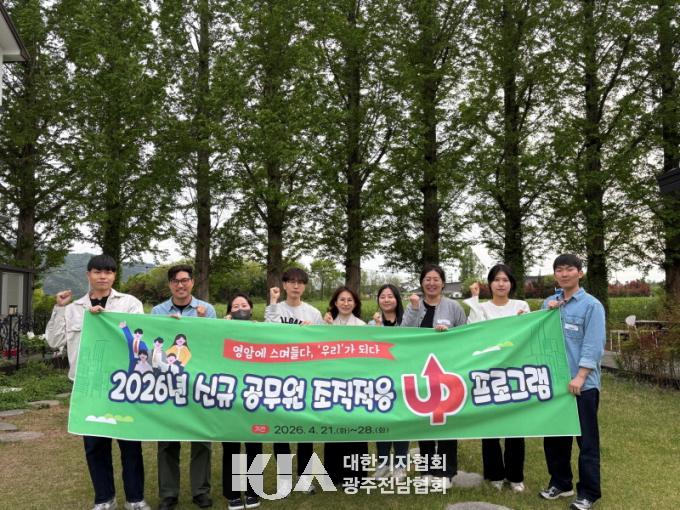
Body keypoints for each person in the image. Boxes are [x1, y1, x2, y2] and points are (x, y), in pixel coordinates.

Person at [45, 254, 150, 510]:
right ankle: (104, 499)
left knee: (130, 444)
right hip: (88, 386)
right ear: (88, 275)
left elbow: (140, 340)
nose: (103, 276)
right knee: (94, 446)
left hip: (122, 385)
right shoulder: (73, 308)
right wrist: (59, 308)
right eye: (97, 272)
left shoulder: (129, 304)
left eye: (108, 272)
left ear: (114, 276)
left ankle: (135, 499)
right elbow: (54, 341)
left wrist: (105, 319)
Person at [539, 254, 605, 510]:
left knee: (586, 441)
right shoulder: (549, 303)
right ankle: (560, 482)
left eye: (569, 269)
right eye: (559, 270)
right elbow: (537, 335)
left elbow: (593, 344)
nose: (564, 274)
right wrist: (538, 314)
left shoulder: (591, 306)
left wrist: (580, 376)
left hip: (582, 386)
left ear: (580, 273)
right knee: (555, 437)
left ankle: (588, 493)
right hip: (554, 383)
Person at [151, 264, 217, 510]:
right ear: (170, 284)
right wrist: (167, 328)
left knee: (201, 439)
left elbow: (213, 343)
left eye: (185, 280)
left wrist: (201, 322)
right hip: (168, 385)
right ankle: (168, 494)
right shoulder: (158, 311)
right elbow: (154, 344)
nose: (181, 285)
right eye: (176, 281)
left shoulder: (206, 309)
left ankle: (201, 491)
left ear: (192, 282)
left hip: (198, 384)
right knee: (167, 441)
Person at [464, 264, 530, 492]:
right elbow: (472, 332)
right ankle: (494, 474)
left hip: (513, 373)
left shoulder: (521, 306)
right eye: (496, 280)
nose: (501, 284)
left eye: (505, 280)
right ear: (490, 284)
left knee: (515, 426)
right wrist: (474, 299)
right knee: (490, 426)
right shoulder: (482, 308)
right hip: (488, 372)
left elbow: (526, 335)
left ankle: (515, 476)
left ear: (511, 283)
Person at [401, 263, 466, 489]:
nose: (431, 283)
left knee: (447, 421)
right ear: (421, 283)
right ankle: (427, 469)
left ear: (443, 283)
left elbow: (465, 336)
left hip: (448, 372)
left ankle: (446, 472)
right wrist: (414, 309)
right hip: (420, 371)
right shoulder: (414, 305)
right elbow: (404, 334)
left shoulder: (453, 307)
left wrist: (448, 335)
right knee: (425, 420)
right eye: (427, 279)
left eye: (435, 279)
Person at [264, 267, 323, 496]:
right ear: (285, 285)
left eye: (300, 282)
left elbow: (323, 346)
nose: (296, 286)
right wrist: (272, 301)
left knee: (305, 431)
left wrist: (312, 333)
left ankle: (305, 479)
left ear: (305, 286)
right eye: (292, 282)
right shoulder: (276, 309)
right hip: (279, 378)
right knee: (281, 431)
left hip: (305, 378)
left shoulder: (313, 313)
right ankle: (284, 479)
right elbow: (267, 334)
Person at [322, 286, 368, 486]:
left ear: (355, 303)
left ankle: (356, 475)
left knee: (356, 429)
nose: (346, 303)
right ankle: (334, 474)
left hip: (355, 383)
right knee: (334, 428)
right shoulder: (326, 324)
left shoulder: (362, 326)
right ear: (335, 302)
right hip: (331, 383)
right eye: (342, 299)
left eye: (350, 300)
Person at [222, 293, 262, 510]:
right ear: (229, 311)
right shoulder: (220, 329)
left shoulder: (262, 330)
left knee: (254, 444)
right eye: (235, 306)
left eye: (244, 305)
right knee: (232, 446)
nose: (240, 308)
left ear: (251, 309)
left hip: (255, 395)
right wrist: (222, 327)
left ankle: (253, 490)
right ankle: (233, 493)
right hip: (229, 396)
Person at [368, 284, 409, 481]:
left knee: (401, 422)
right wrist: (377, 327)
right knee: (382, 422)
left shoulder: (407, 322)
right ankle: (383, 464)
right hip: (379, 380)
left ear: (397, 299)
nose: (386, 300)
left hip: (403, 378)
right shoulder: (371, 323)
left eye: (390, 296)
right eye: (382, 296)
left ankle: (400, 465)